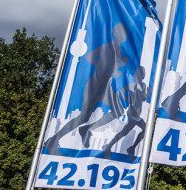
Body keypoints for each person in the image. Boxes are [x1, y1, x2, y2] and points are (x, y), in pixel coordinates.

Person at [45, 24, 130, 154]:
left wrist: (120, 64)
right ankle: (53, 139)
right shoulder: (108, 47)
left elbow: (115, 72)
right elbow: (89, 57)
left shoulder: (118, 51)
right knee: (83, 117)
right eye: (122, 32)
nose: (125, 35)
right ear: (116, 33)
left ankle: (87, 129)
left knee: (117, 111)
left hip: (105, 88)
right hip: (95, 86)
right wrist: (103, 67)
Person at [78, 65, 149, 159]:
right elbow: (125, 94)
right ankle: (130, 148)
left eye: (144, 73)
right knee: (146, 129)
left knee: (123, 132)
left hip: (136, 113)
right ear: (138, 74)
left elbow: (144, 98)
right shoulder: (132, 84)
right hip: (130, 113)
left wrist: (143, 91)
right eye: (142, 73)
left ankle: (108, 146)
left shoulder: (143, 85)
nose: (144, 75)